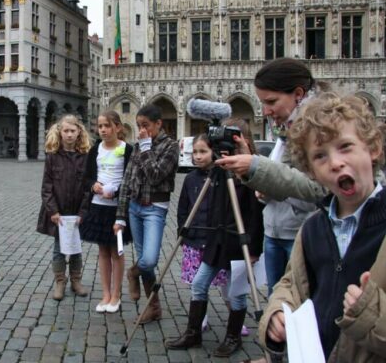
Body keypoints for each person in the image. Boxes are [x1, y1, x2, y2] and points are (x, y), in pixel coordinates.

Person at [258, 94, 386, 362]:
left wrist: (375, 313)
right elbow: (293, 285)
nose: (335, 162)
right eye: (320, 156)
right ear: (311, 172)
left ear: (373, 149)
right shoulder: (312, 229)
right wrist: (278, 313)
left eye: (345, 147)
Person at [215, 58, 328, 298]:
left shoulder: (319, 126)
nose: (265, 111)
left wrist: (257, 166)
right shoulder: (288, 128)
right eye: (263, 102)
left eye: (271, 101)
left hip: (302, 233)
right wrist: (252, 170)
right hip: (276, 231)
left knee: (299, 307)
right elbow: (281, 179)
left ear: (298, 94)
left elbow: (319, 189)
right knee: (279, 304)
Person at [165, 119, 264, 357]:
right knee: (199, 284)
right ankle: (193, 333)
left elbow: (256, 214)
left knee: (235, 293)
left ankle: (232, 337)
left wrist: (254, 249)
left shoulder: (251, 174)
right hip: (216, 240)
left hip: (239, 241)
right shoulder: (217, 171)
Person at [113, 104, 179, 324]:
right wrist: (120, 217)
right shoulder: (138, 146)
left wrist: (146, 146)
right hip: (134, 207)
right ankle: (154, 307)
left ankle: (133, 273)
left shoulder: (170, 146)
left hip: (154, 210)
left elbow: (156, 175)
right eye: (139, 125)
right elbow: (126, 182)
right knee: (144, 258)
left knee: (148, 260)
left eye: (146, 125)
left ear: (158, 124)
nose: (142, 130)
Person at [79, 111, 134, 313]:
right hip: (98, 207)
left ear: (118, 127)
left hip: (118, 209)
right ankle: (106, 294)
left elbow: (132, 180)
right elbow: (86, 178)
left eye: (107, 125)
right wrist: (94, 186)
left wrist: (116, 192)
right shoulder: (95, 150)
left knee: (116, 251)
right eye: (100, 126)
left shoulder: (127, 149)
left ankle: (117, 294)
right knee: (103, 251)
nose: (103, 130)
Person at [36, 114, 91, 301]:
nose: (69, 134)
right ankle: (60, 281)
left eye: (72, 131)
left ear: (78, 132)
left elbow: (87, 188)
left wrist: (83, 212)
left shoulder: (85, 157)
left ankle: (76, 280)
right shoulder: (52, 157)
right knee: (59, 249)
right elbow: (46, 187)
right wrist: (53, 211)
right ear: (60, 132)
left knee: (76, 248)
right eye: (65, 131)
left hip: (76, 212)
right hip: (58, 213)